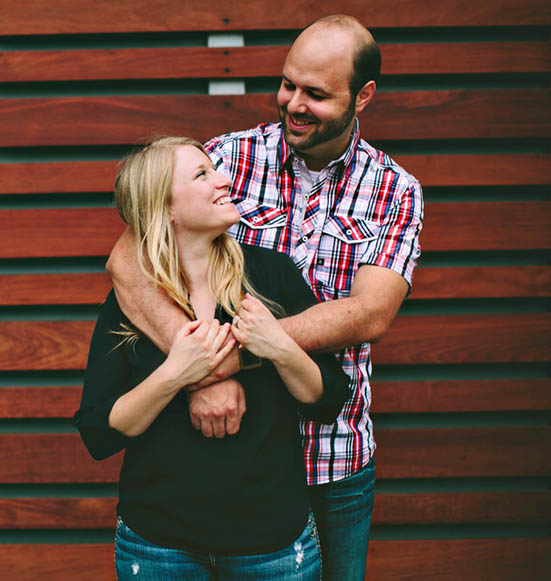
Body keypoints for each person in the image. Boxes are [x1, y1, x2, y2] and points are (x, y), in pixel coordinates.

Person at [107, 14, 423, 581]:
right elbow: (129, 260)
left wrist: (233, 353)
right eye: (288, 84)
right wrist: (201, 371)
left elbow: (369, 313)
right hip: (222, 452)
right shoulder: (225, 157)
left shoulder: (394, 189)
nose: (294, 103)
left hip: (332, 456)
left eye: (317, 94)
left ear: (364, 96)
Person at [75, 136, 350, 580]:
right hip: (160, 544)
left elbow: (328, 398)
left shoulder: (270, 275)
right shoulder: (132, 302)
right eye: (202, 175)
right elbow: (99, 432)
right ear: (164, 208)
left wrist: (279, 345)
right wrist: (175, 376)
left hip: (273, 543)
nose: (224, 180)